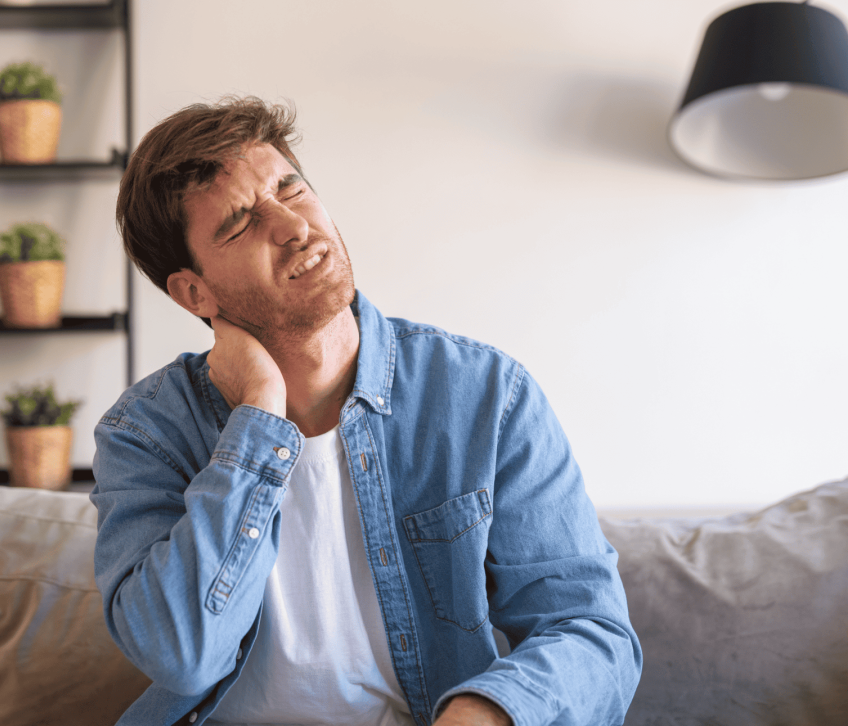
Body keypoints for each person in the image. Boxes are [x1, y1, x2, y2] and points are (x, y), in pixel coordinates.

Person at [91, 96, 642, 726]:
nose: (293, 226)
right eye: (241, 223)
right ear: (195, 292)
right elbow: (181, 654)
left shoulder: (486, 395)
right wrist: (259, 419)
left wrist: (488, 709)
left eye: (291, 189)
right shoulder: (146, 432)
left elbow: (592, 631)